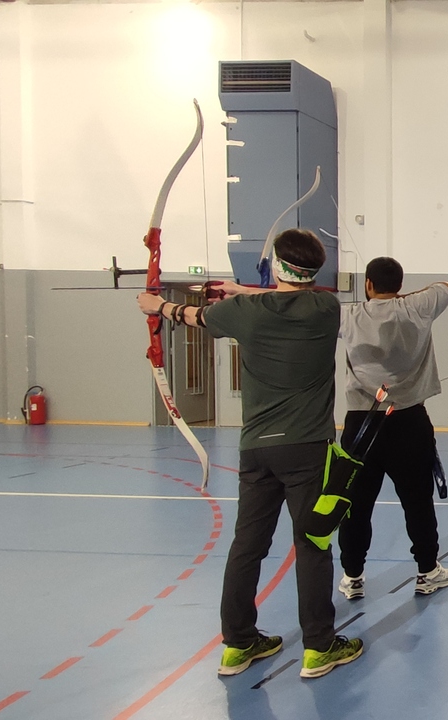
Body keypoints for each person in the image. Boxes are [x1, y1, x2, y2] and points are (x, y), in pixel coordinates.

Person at [137, 229, 363, 680]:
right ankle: (319, 647)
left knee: (248, 546)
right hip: (308, 449)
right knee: (313, 544)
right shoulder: (326, 309)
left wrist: (157, 306)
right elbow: (290, 297)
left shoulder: (242, 313)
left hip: (257, 450)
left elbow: (193, 315)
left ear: (276, 266)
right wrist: (242, 291)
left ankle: (238, 644)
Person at [336, 257, 448, 601]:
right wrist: (407, 298)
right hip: (409, 422)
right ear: (400, 286)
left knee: (355, 505)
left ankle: (353, 576)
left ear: (368, 284)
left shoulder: (349, 314)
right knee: (418, 502)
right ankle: (427, 571)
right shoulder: (418, 305)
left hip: (362, 423)